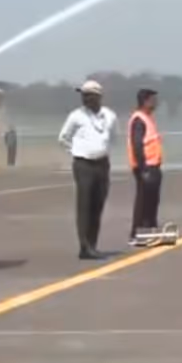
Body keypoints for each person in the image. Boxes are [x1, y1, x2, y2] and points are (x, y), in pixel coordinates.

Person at [58, 80, 118, 259]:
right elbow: (63, 137)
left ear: (97, 96)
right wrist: (76, 151)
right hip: (83, 164)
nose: (84, 98)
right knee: (84, 205)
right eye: (83, 95)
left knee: (98, 205)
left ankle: (92, 244)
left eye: (88, 95)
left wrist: (103, 149)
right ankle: (84, 247)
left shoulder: (109, 116)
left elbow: (113, 137)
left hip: (102, 164)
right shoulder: (76, 116)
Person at [127, 88, 165, 246]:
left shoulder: (147, 118)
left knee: (152, 201)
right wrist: (143, 169)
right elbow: (137, 145)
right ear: (145, 101)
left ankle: (150, 230)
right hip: (146, 167)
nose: (156, 103)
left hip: (153, 166)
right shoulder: (139, 120)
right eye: (153, 100)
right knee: (143, 201)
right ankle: (136, 234)